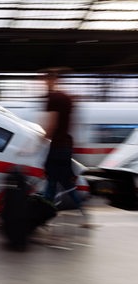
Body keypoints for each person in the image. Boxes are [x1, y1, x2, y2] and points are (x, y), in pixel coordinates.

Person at [39, 67, 85, 216]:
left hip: (58, 146)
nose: (44, 83)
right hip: (66, 145)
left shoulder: (53, 98)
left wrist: (40, 140)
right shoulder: (67, 98)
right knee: (61, 181)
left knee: (53, 179)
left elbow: (52, 124)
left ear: (50, 80)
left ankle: (43, 214)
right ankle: (83, 214)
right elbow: (73, 123)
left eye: (45, 80)